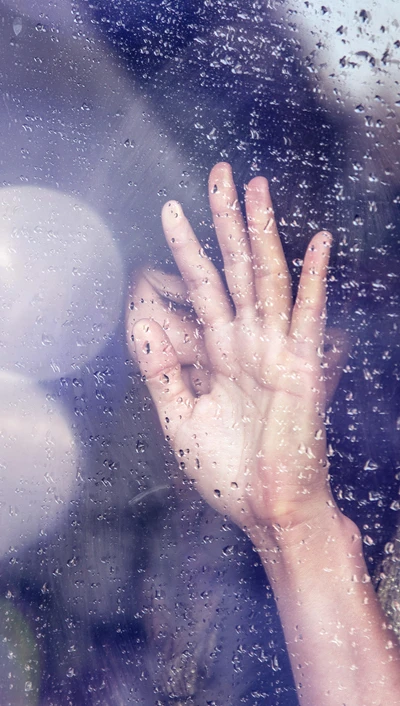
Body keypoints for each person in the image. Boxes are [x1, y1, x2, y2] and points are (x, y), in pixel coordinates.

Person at [127, 162, 400, 705]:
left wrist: (296, 527)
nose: (152, 349)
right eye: (133, 331)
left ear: (325, 348)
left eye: (185, 308)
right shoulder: (145, 531)